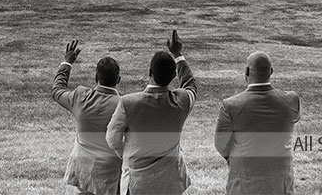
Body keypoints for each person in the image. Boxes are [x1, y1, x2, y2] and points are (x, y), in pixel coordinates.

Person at [105, 29, 197, 195]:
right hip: (171, 182)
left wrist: (127, 153)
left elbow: (112, 138)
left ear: (149, 73)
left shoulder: (128, 103)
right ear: (173, 76)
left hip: (138, 183)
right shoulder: (182, 101)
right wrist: (177, 54)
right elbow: (190, 84)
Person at [214, 51, 301, 195]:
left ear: (246, 72)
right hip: (281, 184)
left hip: (244, 184)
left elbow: (221, 144)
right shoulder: (291, 100)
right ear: (271, 71)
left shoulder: (231, 105)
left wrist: (235, 159)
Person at [52, 39, 123, 195]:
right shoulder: (124, 105)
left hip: (83, 171)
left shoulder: (80, 97)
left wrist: (67, 62)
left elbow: (57, 90)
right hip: (111, 174)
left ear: (96, 77)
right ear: (118, 80)